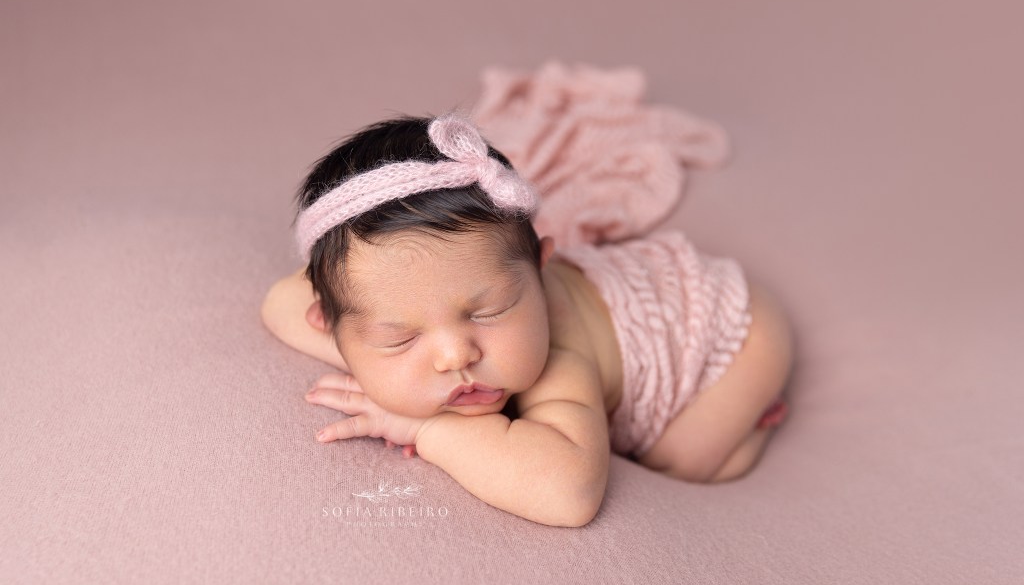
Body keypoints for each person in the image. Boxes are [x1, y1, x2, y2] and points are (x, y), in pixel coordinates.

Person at [261, 113, 794, 527]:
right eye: (397, 337)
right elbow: (279, 306)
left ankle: (754, 423)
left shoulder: (558, 362)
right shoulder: (389, 309)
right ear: (328, 322)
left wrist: (426, 425)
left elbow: (569, 493)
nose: (455, 356)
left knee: (683, 458)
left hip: (737, 327)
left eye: (488, 311)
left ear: (541, 267)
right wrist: (382, 365)